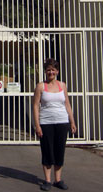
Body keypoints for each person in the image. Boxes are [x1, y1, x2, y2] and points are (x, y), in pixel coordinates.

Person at [33, 58, 76, 191]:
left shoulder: (62, 85)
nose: (51, 72)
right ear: (45, 72)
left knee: (59, 151)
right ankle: (47, 180)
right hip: (46, 123)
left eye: (53, 69)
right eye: (48, 70)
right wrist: (38, 125)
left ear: (57, 71)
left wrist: (72, 121)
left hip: (62, 122)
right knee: (47, 151)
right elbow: (35, 106)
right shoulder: (41, 86)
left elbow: (67, 104)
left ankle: (58, 180)